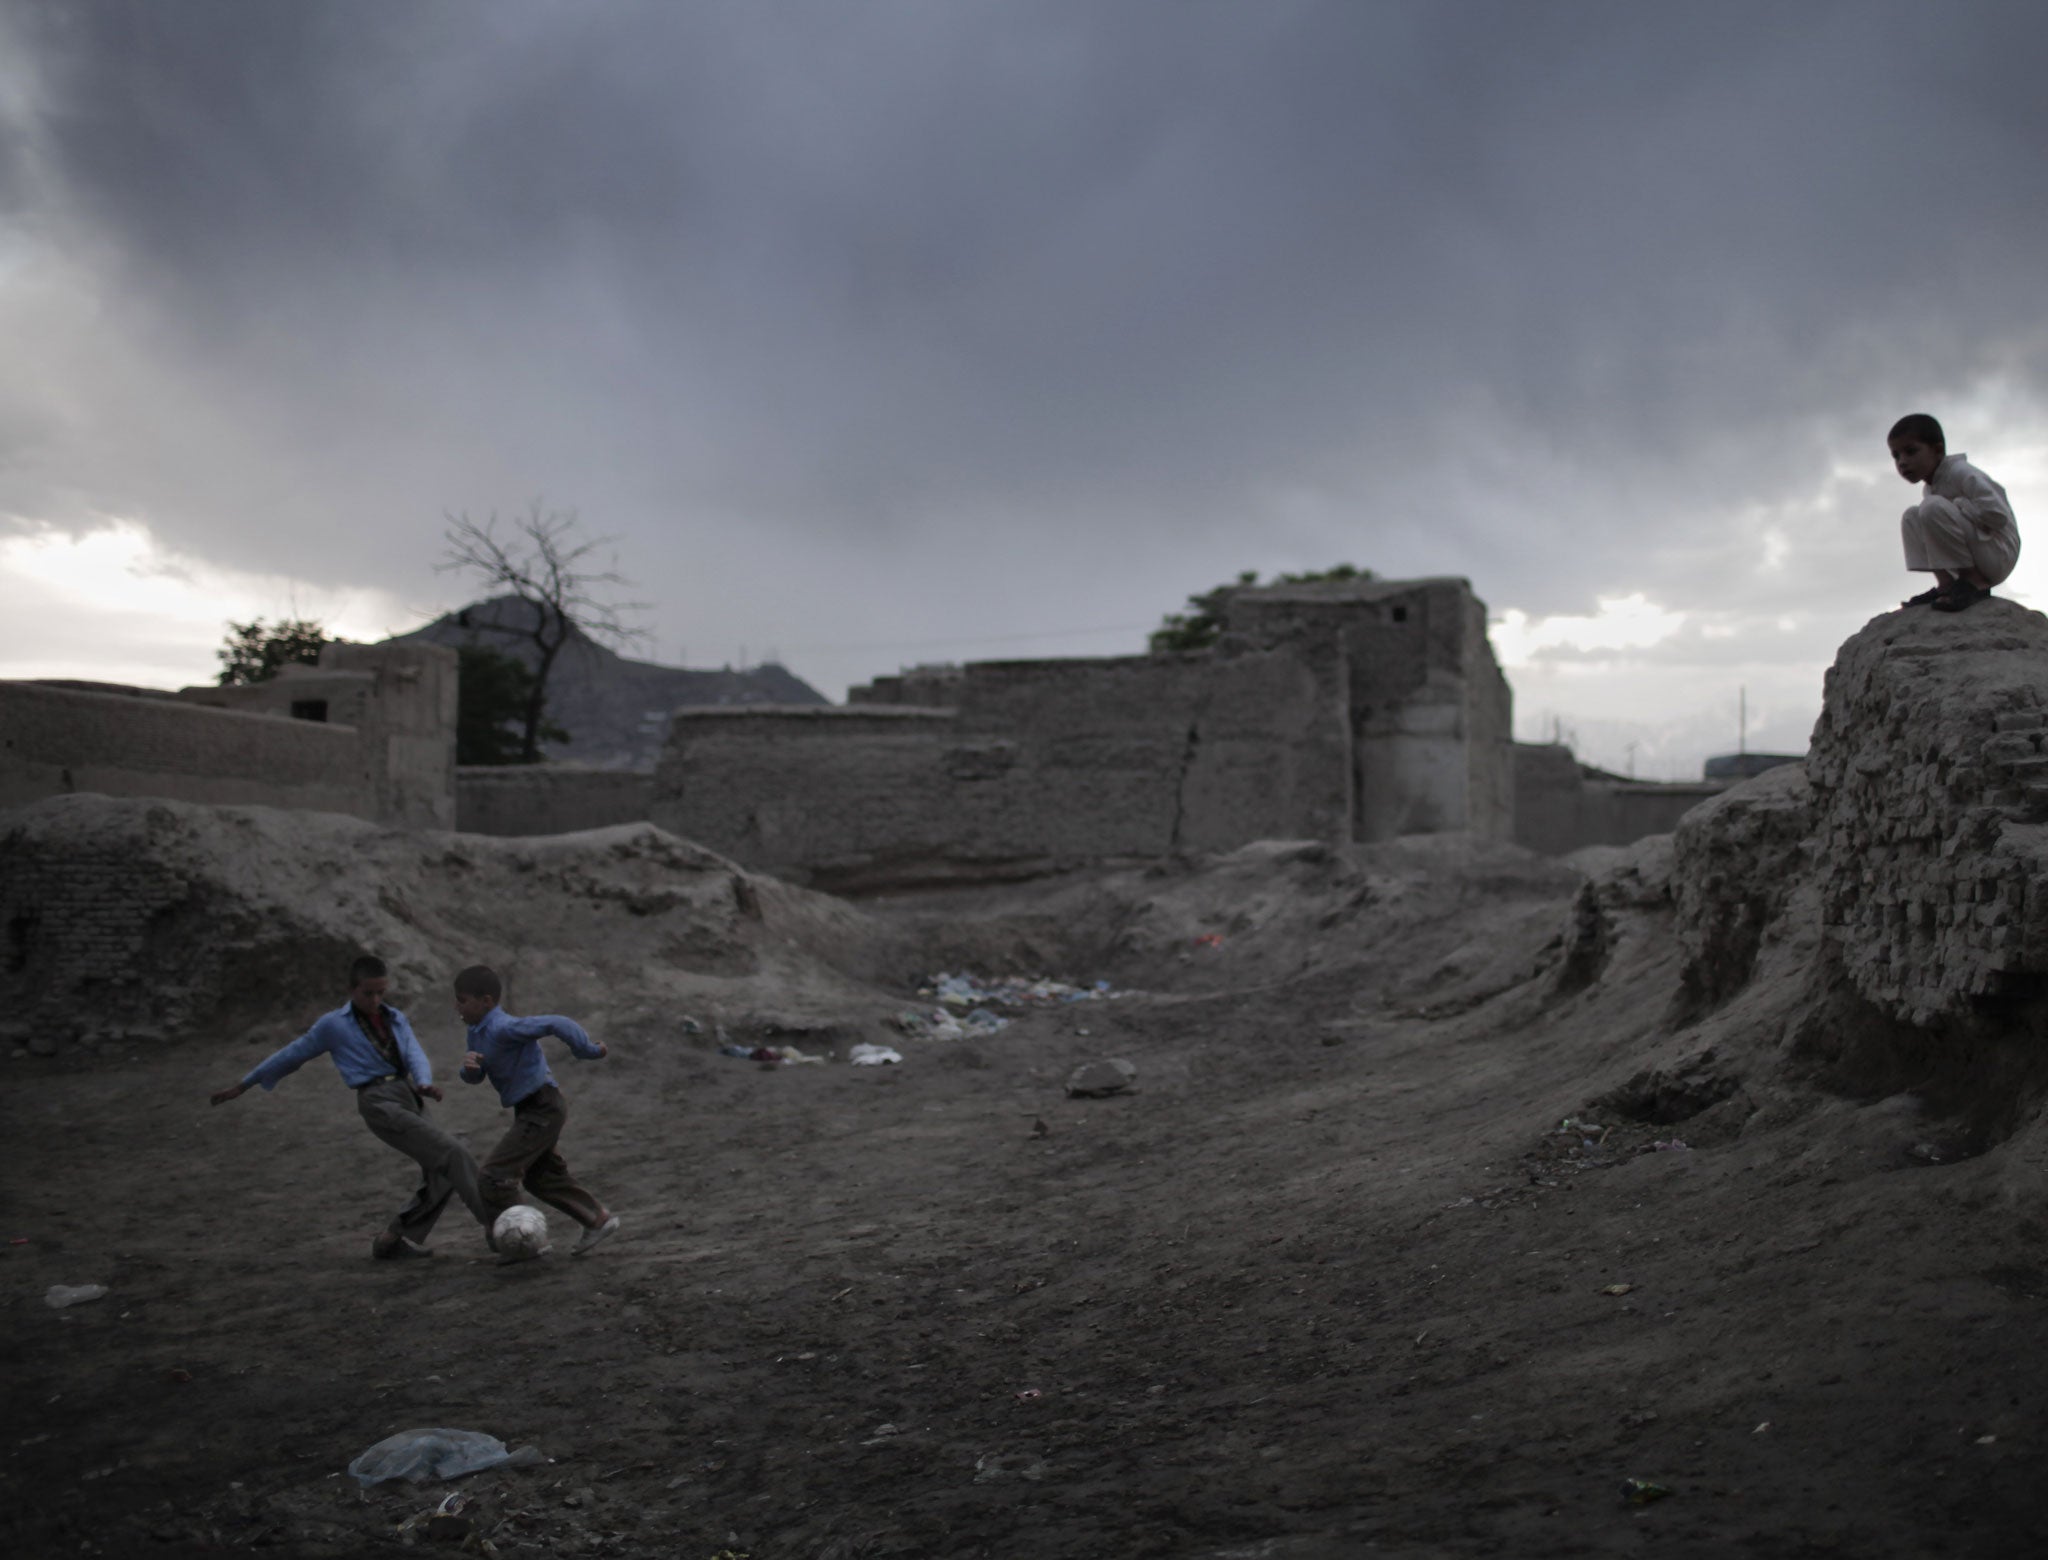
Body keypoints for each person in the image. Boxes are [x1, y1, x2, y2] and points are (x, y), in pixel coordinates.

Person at [211, 955, 492, 1260]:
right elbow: (292, 1054)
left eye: (380, 992)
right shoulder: (334, 1025)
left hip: (407, 1093)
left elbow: (414, 1053)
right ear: (351, 990)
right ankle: (497, 1226)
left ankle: (391, 1239)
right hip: (378, 1102)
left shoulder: (394, 1016)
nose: (375, 1000)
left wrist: (423, 1081)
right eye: (367, 993)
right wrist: (245, 1084)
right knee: (453, 1152)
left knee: (443, 1169)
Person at [454, 965, 620, 1260]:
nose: (458, 1006)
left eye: (463, 1000)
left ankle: (521, 1241)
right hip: (531, 1110)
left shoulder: (503, 1027)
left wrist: (586, 1050)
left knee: (494, 1176)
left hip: (542, 1105)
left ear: (487, 1001)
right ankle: (598, 1219)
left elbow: (557, 1022)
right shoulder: (476, 1034)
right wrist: (470, 1070)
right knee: (540, 1177)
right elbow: (477, 1075)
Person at [1891, 413, 2020, 613]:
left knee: (1931, 507)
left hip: (1998, 553)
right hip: (1976, 552)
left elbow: (1998, 516)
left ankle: (1975, 582)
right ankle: (1947, 584)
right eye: (1896, 456)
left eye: (1911, 452)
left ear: (1938, 450)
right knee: (1912, 516)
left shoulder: (1962, 473)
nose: (1902, 462)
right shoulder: (1930, 488)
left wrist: (1960, 507)